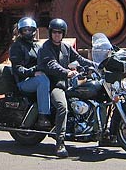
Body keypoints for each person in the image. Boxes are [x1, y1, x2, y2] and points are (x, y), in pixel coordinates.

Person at [38, 18, 96, 158]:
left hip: (68, 84)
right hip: (54, 85)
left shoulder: (66, 47)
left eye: (60, 32)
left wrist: (96, 65)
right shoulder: (46, 48)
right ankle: (60, 143)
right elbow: (52, 65)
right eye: (54, 32)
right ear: (51, 33)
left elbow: (80, 59)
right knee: (62, 106)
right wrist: (67, 72)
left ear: (63, 33)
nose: (57, 35)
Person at [8, 17, 51, 129]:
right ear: (20, 31)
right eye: (25, 30)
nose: (28, 32)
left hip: (36, 77)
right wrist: (32, 73)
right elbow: (18, 68)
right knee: (43, 80)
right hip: (24, 82)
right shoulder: (16, 46)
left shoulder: (37, 45)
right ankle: (43, 117)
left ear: (34, 30)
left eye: (29, 30)